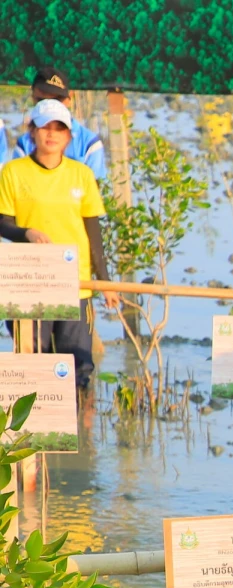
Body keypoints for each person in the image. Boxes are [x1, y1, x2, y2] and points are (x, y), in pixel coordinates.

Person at [0, 100, 116, 389]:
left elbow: (93, 231)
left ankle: (78, 430)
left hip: (74, 281)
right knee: (33, 364)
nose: (51, 135)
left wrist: (105, 281)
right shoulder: (13, 172)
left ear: (68, 136)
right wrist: (25, 233)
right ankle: (30, 432)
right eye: (44, 128)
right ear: (32, 132)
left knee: (76, 367)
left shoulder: (82, 174)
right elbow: (3, 222)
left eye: (58, 129)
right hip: (30, 280)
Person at [8, 67, 106, 181]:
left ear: (69, 99)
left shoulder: (89, 144)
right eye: (42, 101)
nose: (50, 108)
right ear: (33, 97)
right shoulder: (24, 143)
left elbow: (96, 189)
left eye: (57, 101)